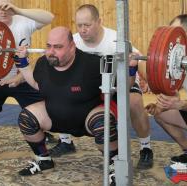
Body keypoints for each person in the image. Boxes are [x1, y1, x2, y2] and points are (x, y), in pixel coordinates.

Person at [14, 26, 137, 182]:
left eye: (58, 47)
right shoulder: (43, 63)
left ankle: (113, 164)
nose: (51, 52)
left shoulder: (93, 64)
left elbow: (124, 87)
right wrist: (23, 64)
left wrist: (131, 70)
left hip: (87, 117)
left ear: (72, 47)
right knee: (26, 117)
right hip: (55, 117)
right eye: (48, 46)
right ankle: (43, 160)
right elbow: (38, 84)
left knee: (103, 123)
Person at [48, 4, 153, 170]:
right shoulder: (72, 42)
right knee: (58, 94)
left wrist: (151, 82)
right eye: (79, 25)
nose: (83, 30)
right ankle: (66, 142)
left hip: (120, 83)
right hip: (90, 88)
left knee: (134, 102)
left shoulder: (116, 39)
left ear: (99, 22)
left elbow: (137, 59)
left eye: (87, 25)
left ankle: (145, 148)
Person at [0, 0, 54, 136]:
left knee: (49, 103)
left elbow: (49, 17)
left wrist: (18, 10)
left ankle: (56, 137)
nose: (3, 11)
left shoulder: (23, 21)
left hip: (22, 77)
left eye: (6, 7)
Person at [146, 14, 187, 168]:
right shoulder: (179, 60)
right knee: (160, 114)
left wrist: (180, 104)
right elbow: (175, 91)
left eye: (178, 31)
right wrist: (163, 105)